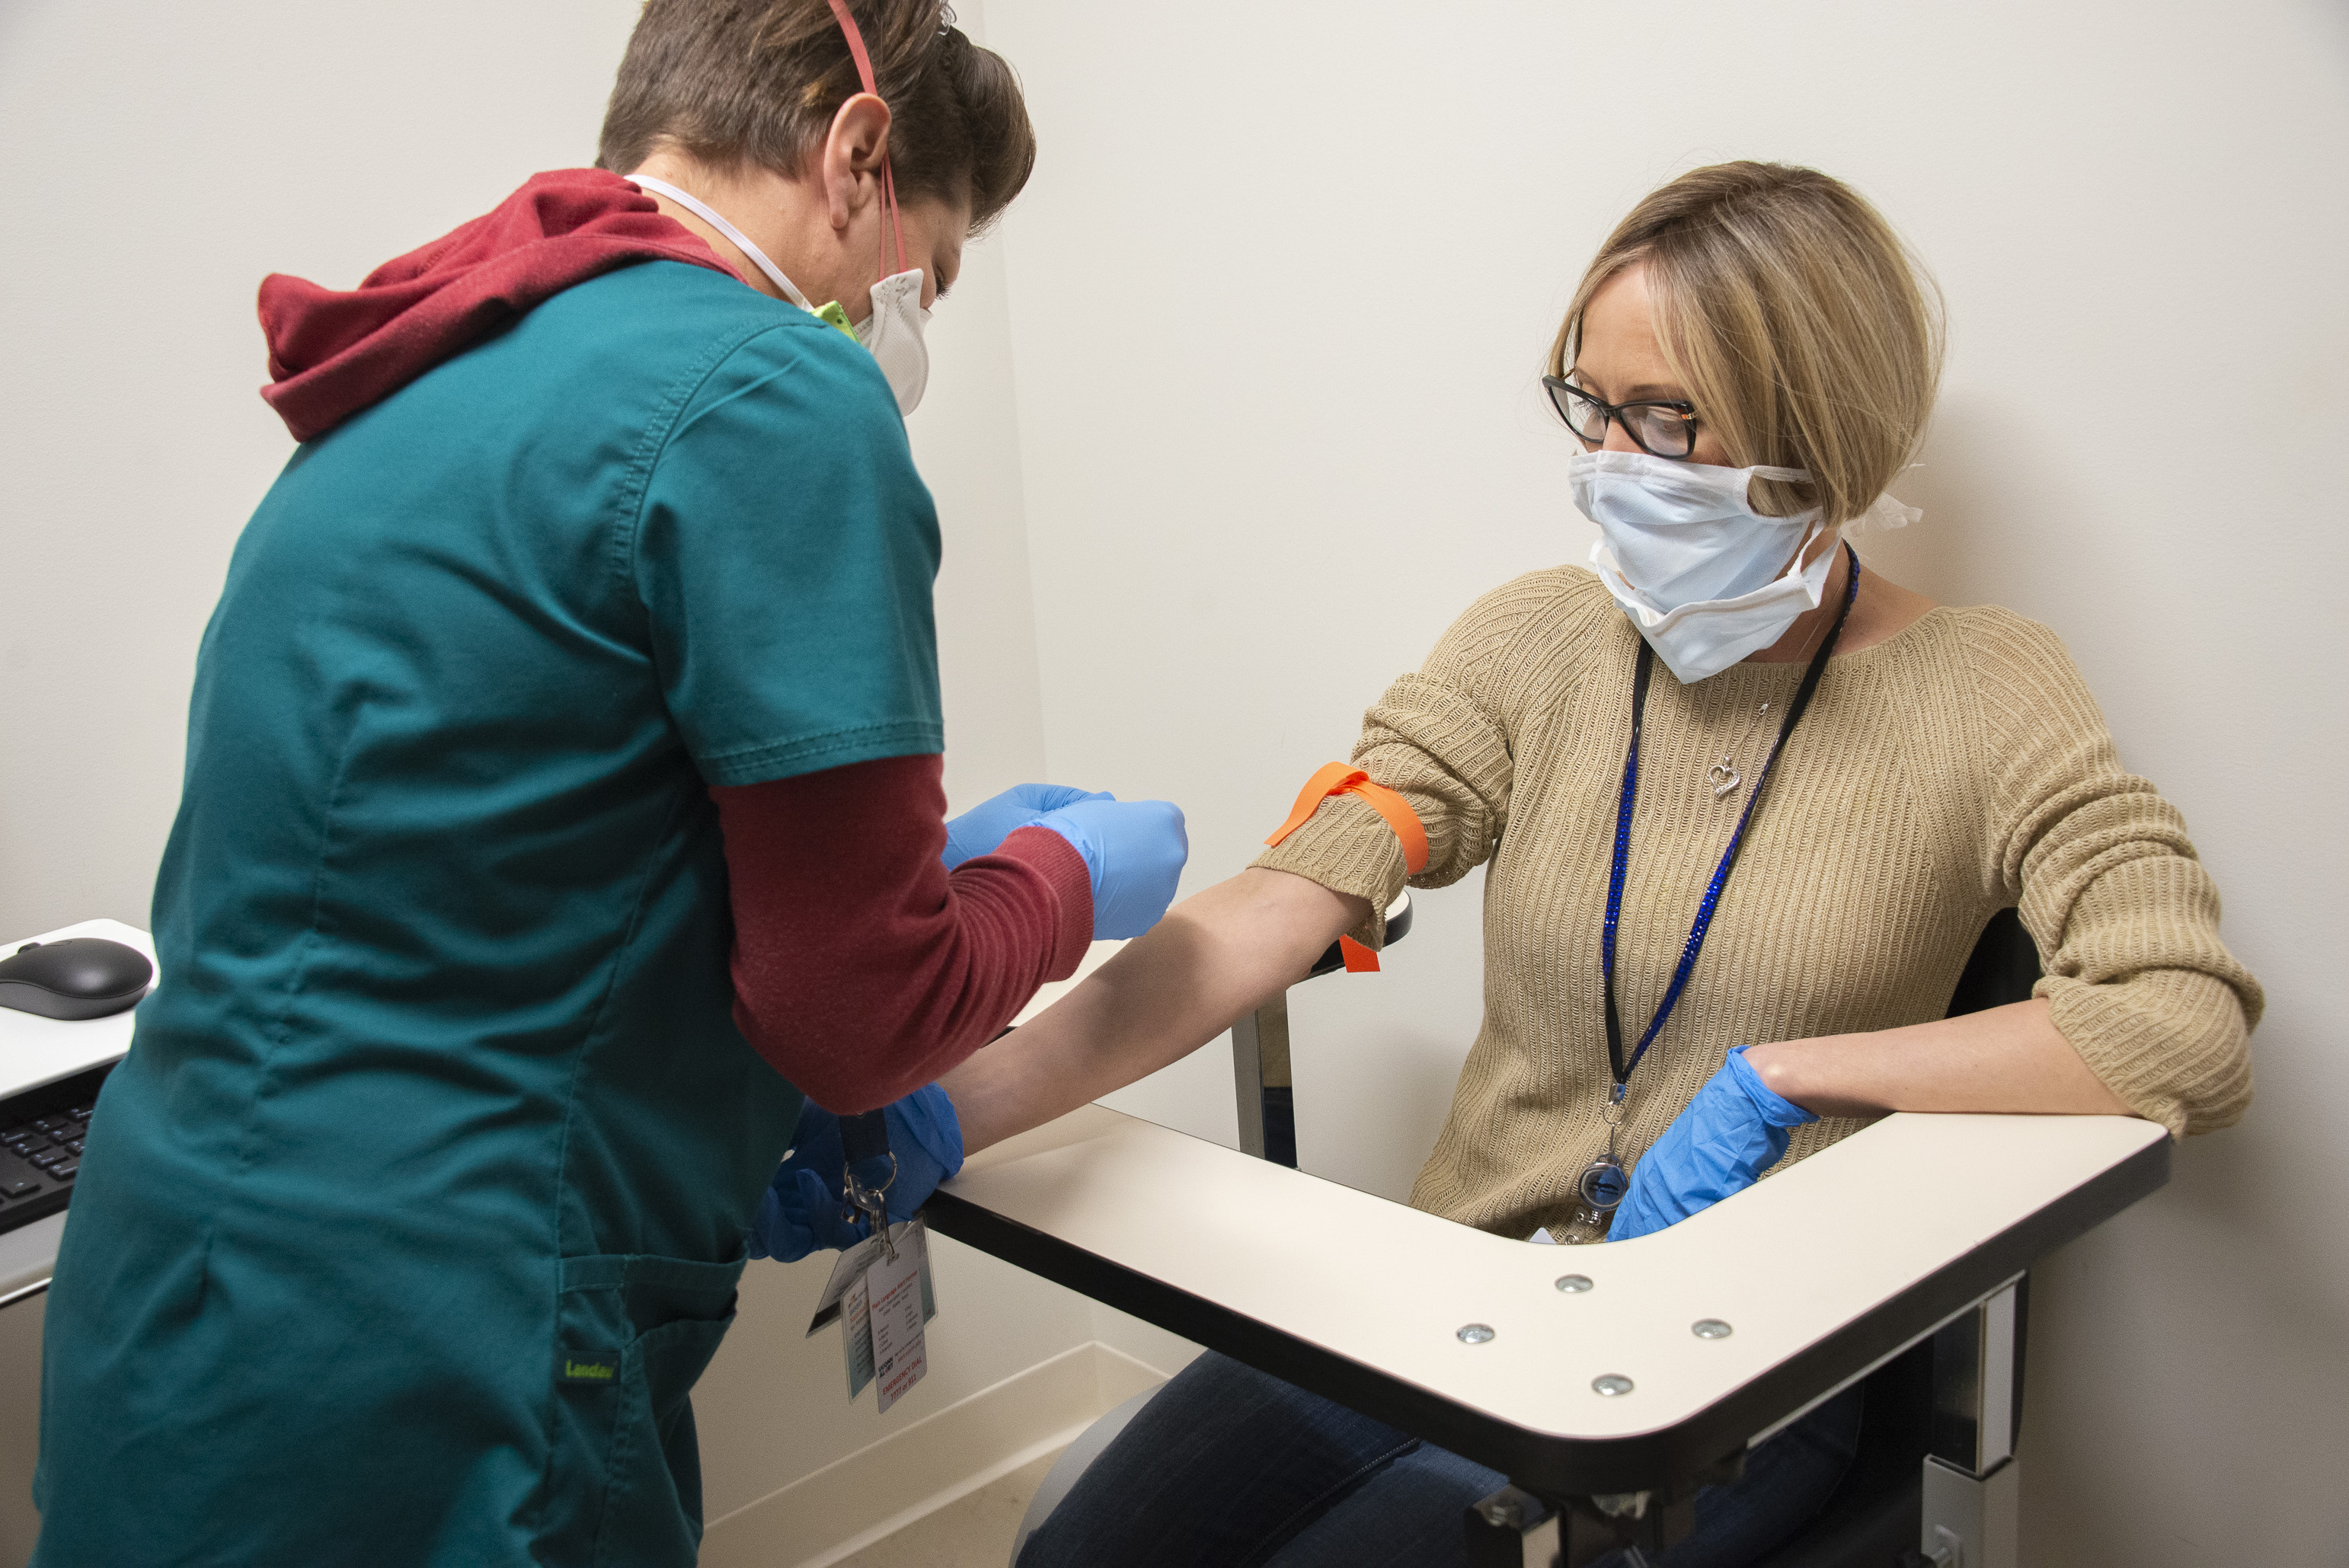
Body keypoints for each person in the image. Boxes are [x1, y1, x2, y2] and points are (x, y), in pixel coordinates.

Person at [924, 162, 2262, 1566]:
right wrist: (956, 1110)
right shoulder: (1538, 644)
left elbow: (2182, 1025)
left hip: (1733, 1374)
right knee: (1072, 1557)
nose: (1609, 462)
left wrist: (1793, 1077)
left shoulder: (1989, 692)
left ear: (1823, 427)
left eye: (1666, 418)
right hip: (1449, 1296)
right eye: (1590, 404)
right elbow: (1290, 897)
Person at [32, 5, 1187, 1565]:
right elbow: (855, 1026)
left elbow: (497, 864)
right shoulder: (777, 390)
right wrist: (1056, 884)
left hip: (169, 1305)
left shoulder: (417, 376)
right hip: (449, 1356)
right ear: (855, 155)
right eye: (935, 268)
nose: (908, 321)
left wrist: (906, 892)